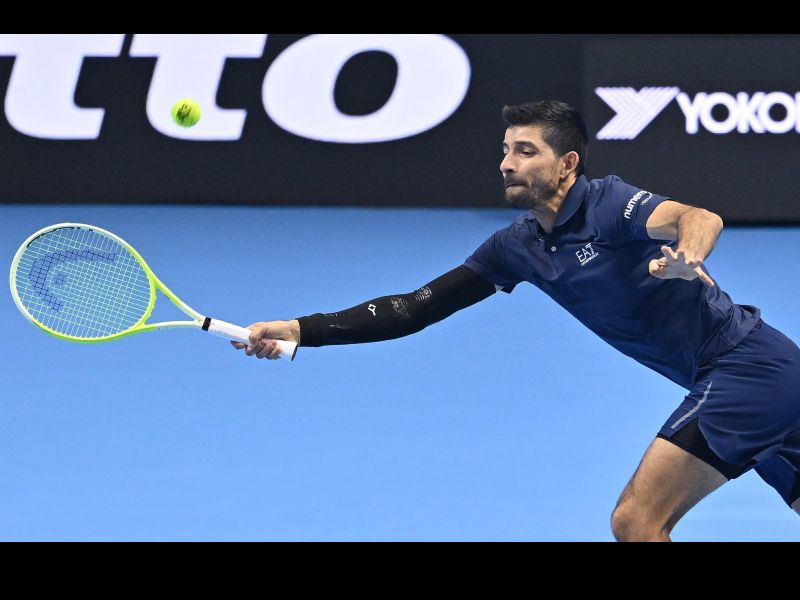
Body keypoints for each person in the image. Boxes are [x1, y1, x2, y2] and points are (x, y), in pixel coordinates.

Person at [232, 100, 800, 541]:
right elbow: (416, 306)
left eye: (526, 151)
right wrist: (303, 329)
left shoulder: (609, 205)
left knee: (636, 521)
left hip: (745, 369)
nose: (507, 163)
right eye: (506, 150)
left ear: (567, 164)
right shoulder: (516, 247)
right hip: (767, 375)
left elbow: (697, 217)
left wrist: (689, 256)